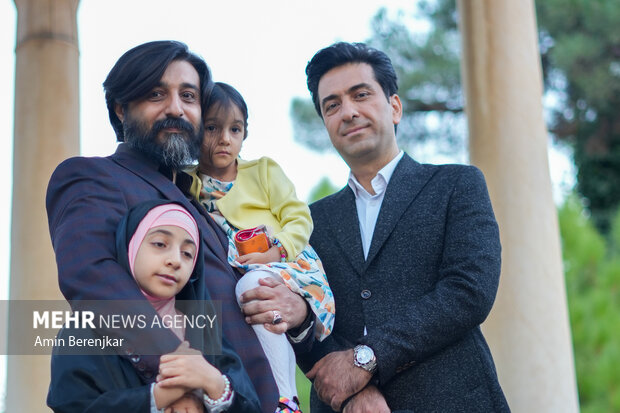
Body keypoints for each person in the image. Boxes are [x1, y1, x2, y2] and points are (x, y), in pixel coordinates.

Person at [46, 40, 313, 412]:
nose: (176, 108)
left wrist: (298, 312)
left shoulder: (203, 203)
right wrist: (184, 377)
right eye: (156, 93)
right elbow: (93, 279)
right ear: (121, 108)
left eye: (188, 96)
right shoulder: (93, 176)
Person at [296, 42, 510, 412]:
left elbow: (469, 290)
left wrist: (366, 358)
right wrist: (351, 391)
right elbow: (303, 318)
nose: (348, 112)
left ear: (394, 107)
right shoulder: (308, 222)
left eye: (360, 95)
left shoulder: (457, 185)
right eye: (332, 105)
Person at [188, 82, 336, 413]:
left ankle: (287, 400)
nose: (225, 138)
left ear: (245, 133)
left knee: (255, 289)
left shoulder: (263, 171)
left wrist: (277, 251)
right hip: (239, 274)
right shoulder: (186, 183)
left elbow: (299, 218)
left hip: (289, 265)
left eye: (234, 129)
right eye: (212, 128)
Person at [48, 200, 261, 412]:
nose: (175, 260)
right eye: (160, 244)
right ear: (131, 246)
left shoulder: (203, 328)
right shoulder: (85, 328)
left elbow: (250, 405)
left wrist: (213, 383)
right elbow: (70, 406)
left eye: (187, 253)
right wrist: (157, 397)